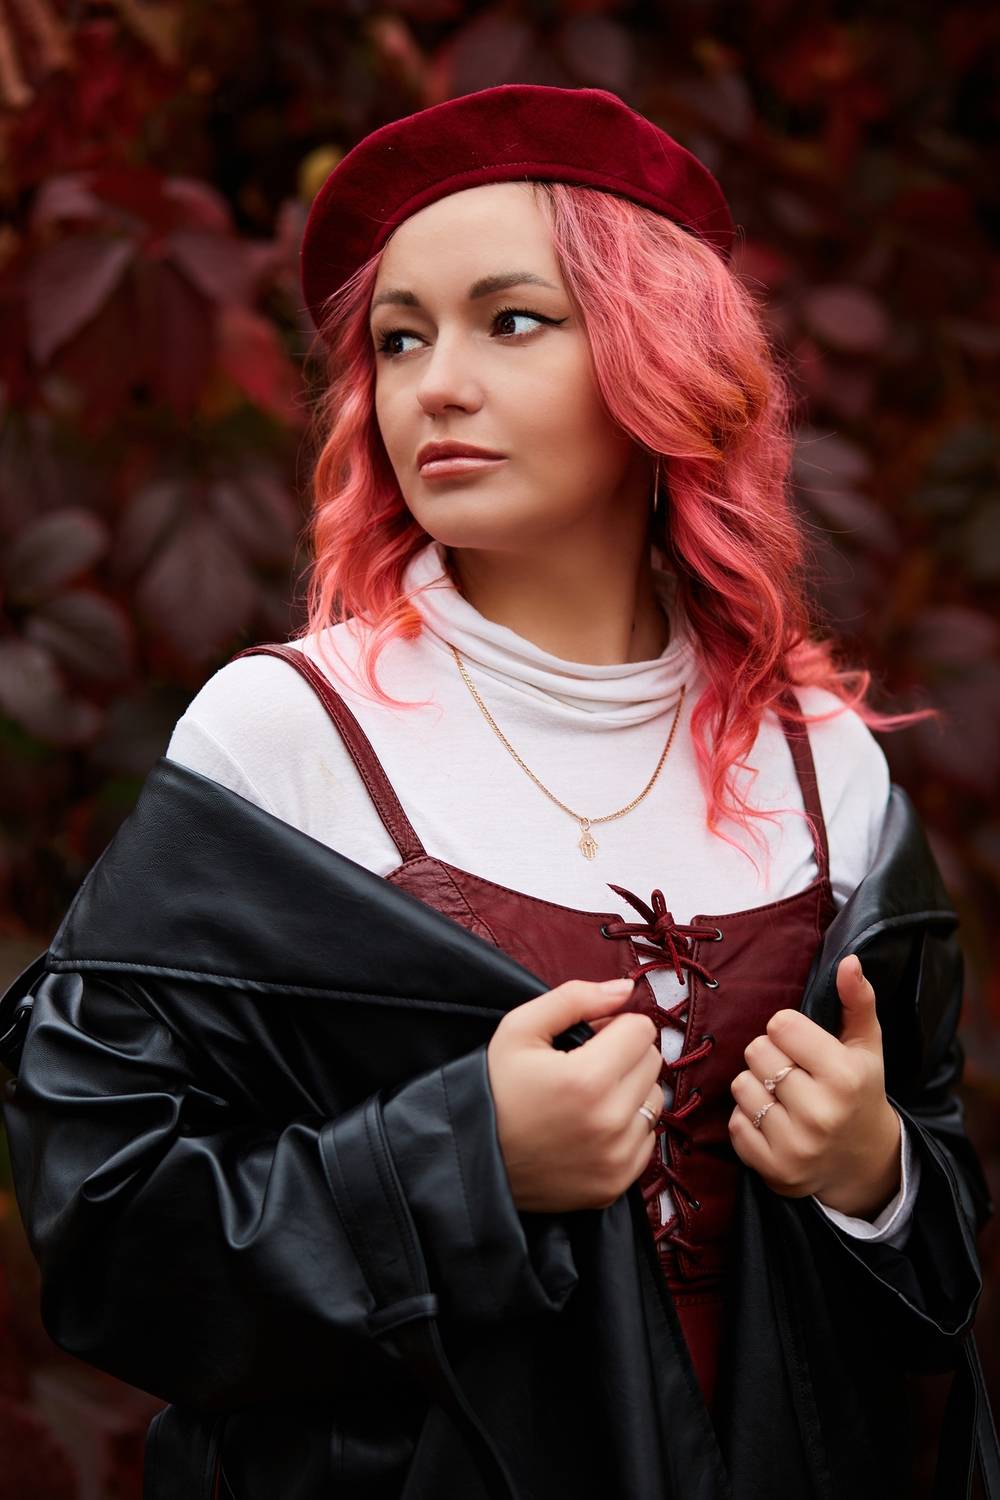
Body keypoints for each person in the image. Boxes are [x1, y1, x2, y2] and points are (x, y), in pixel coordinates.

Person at [0, 84, 995, 1500]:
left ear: (656, 353)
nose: (434, 386)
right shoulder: (289, 737)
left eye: (510, 321)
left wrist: (871, 1176)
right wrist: (465, 1164)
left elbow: (937, 1266)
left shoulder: (823, 761)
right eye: (400, 339)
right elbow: (109, 1238)